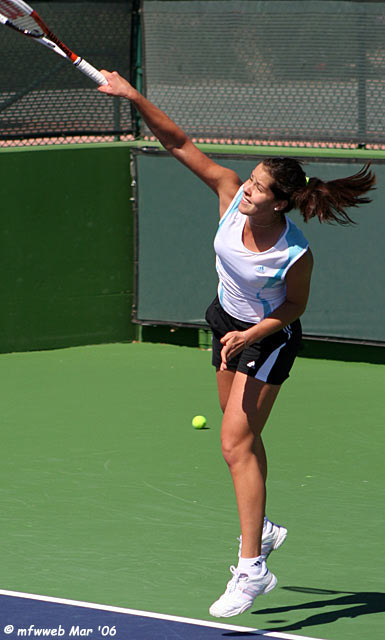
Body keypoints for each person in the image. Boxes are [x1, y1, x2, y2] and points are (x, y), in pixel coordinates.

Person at [98, 71, 376, 618]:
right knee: (238, 434)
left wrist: (254, 332)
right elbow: (178, 143)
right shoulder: (230, 198)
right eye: (248, 180)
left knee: (234, 444)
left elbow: (295, 308)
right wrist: (133, 97)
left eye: (256, 188)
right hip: (224, 321)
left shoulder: (294, 253)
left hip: (266, 336)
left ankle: (253, 568)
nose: (245, 188)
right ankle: (265, 525)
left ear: (279, 204)